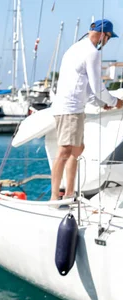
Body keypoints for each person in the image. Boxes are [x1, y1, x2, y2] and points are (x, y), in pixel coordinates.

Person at [50, 19, 123, 201]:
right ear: (103, 35)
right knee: (65, 151)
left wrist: (101, 104)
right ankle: (54, 197)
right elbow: (97, 86)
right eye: (108, 37)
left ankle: (69, 193)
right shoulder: (92, 53)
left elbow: (86, 86)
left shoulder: (75, 48)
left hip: (68, 106)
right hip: (71, 108)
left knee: (77, 150)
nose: (106, 42)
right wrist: (115, 101)